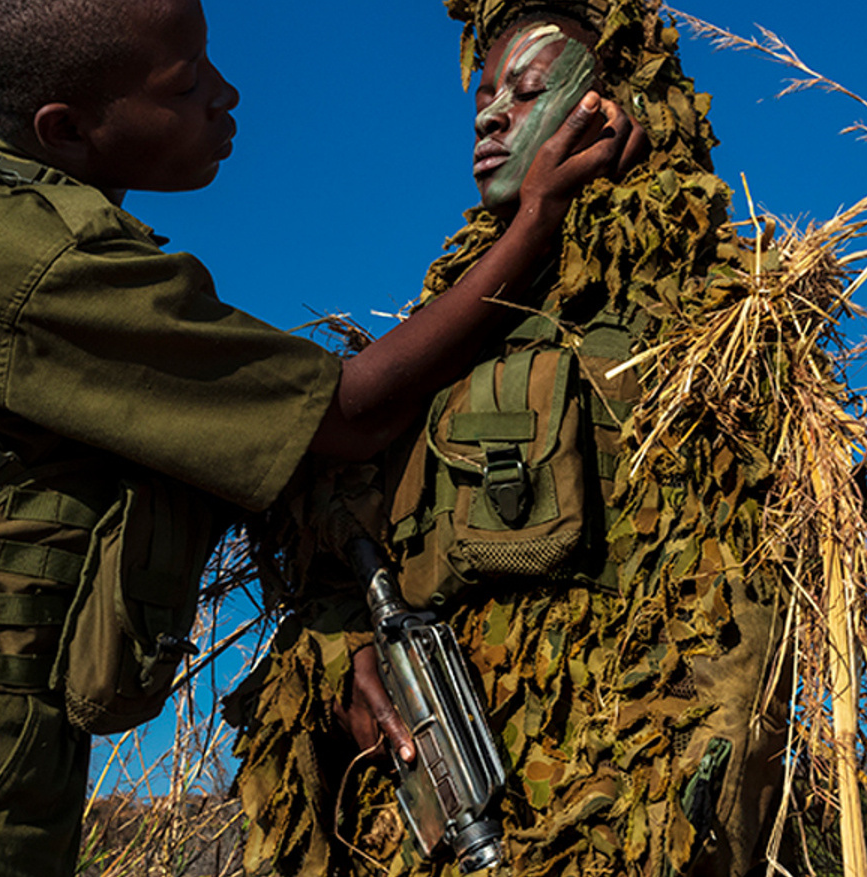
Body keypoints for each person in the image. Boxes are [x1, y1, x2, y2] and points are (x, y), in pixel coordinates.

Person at [0, 0, 643, 874]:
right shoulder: (37, 271)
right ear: (69, 130)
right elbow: (345, 415)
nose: (228, 93)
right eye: (188, 81)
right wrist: (534, 224)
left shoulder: (5, 229)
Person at [232, 1, 789, 875]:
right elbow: (347, 544)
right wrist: (347, 663)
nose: (489, 115)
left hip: (599, 814)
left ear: (605, 110)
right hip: (431, 814)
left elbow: (727, 621)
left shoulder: (695, 320)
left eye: (527, 92)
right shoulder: (451, 324)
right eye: (483, 96)